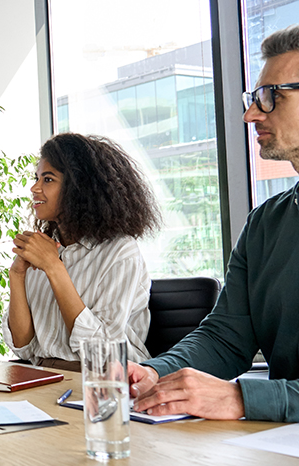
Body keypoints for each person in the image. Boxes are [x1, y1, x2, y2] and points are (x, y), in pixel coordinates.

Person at [128, 24, 299, 423]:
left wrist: (243, 398)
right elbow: (226, 338)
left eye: (271, 97)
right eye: (254, 98)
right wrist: (155, 373)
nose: (250, 113)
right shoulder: (264, 224)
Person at [3, 133, 161, 371]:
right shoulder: (44, 248)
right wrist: (17, 275)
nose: (34, 188)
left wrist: (54, 268)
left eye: (47, 179)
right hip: (43, 376)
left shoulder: (120, 252)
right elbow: (22, 346)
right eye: (36, 178)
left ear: (78, 187)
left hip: (103, 383)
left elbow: (103, 351)